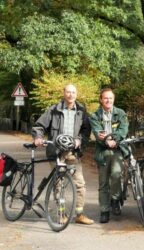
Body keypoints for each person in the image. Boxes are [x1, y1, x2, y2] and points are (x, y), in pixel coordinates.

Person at [32, 84, 94, 225]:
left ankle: (79, 214)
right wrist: (38, 137)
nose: (71, 95)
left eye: (73, 92)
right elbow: (39, 126)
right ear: (64, 93)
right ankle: (61, 215)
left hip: (73, 153)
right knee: (59, 184)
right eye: (68, 92)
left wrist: (80, 140)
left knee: (79, 184)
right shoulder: (54, 110)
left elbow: (86, 131)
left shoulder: (81, 111)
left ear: (76, 94)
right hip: (56, 152)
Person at [90, 88, 129, 224]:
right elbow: (97, 133)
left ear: (114, 99)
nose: (108, 100)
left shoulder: (121, 113)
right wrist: (106, 140)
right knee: (103, 183)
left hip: (118, 149)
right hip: (102, 152)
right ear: (101, 100)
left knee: (117, 174)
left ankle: (115, 199)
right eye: (105, 98)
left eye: (110, 98)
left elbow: (123, 130)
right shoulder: (95, 116)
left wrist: (113, 139)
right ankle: (104, 210)